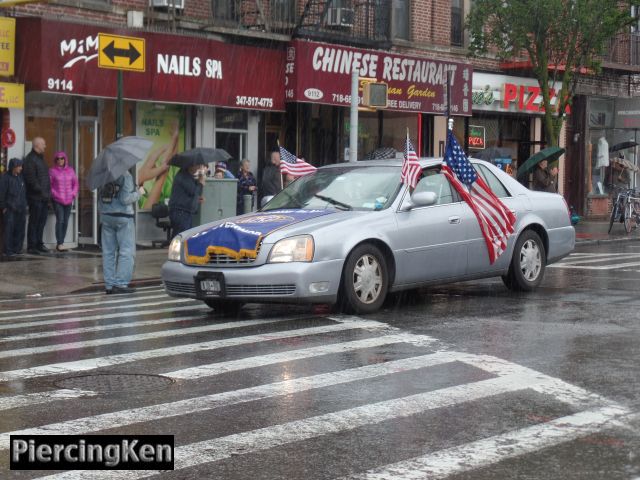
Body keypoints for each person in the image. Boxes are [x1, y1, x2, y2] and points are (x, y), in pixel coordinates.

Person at [98, 170, 143, 294]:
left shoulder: (103, 175)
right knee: (126, 251)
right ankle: (121, 284)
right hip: (123, 217)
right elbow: (125, 199)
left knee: (108, 252)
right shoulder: (125, 175)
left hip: (106, 216)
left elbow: (101, 197)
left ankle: (109, 285)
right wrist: (139, 193)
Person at [23, 136, 51, 254]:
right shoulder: (30, 160)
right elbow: (31, 180)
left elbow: (45, 178)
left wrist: (47, 195)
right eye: (43, 144)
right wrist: (42, 192)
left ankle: (39, 243)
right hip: (35, 198)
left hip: (44, 198)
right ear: (36, 145)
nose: (45, 146)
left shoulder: (41, 159)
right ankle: (32, 246)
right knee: (34, 222)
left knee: (41, 222)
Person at [48, 151, 78, 252]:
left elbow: (75, 184)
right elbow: (50, 186)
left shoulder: (71, 170)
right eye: (58, 158)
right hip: (58, 200)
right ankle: (59, 243)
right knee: (60, 220)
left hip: (69, 200)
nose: (60, 160)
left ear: (65, 159)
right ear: (55, 160)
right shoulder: (52, 171)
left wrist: (72, 194)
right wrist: (55, 195)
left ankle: (62, 242)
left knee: (65, 221)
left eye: (62, 158)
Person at [168, 163, 205, 238]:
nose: (198, 168)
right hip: (181, 212)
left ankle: (178, 249)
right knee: (182, 237)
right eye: (197, 165)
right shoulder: (183, 177)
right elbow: (193, 191)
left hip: (185, 211)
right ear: (190, 165)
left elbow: (191, 194)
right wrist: (200, 183)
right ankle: (177, 249)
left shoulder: (188, 176)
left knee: (183, 237)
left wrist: (197, 199)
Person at [0, 158, 27, 258]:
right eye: (19, 166)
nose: (21, 168)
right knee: (9, 230)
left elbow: (23, 193)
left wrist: (25, 204)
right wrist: (3, 207)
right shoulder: (5, 178)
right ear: (13, 167)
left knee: (19, 229)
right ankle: (8, 250)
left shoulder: (20, 178)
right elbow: (1, 193)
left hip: (21, 208)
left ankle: (17, 249)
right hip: (10, 209)